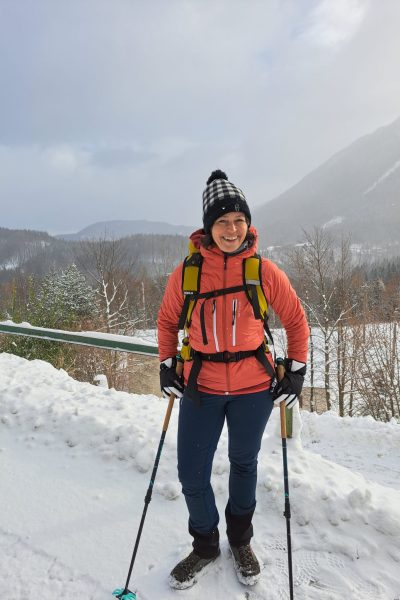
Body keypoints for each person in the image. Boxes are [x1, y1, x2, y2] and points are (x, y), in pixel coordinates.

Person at [157, 170, 309, 589]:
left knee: (244, 463)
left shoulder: (261, 270)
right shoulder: (188, 274)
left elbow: (297, 320)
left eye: (238, 220)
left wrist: (295, 371)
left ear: (248, 224)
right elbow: (168, 320)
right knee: (191, 473)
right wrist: (167, 363)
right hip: (201, 387)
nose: (231, 229)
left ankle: (240, 540)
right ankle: (205, 544)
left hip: (253, 389)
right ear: (208, 227)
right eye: (222, 222)